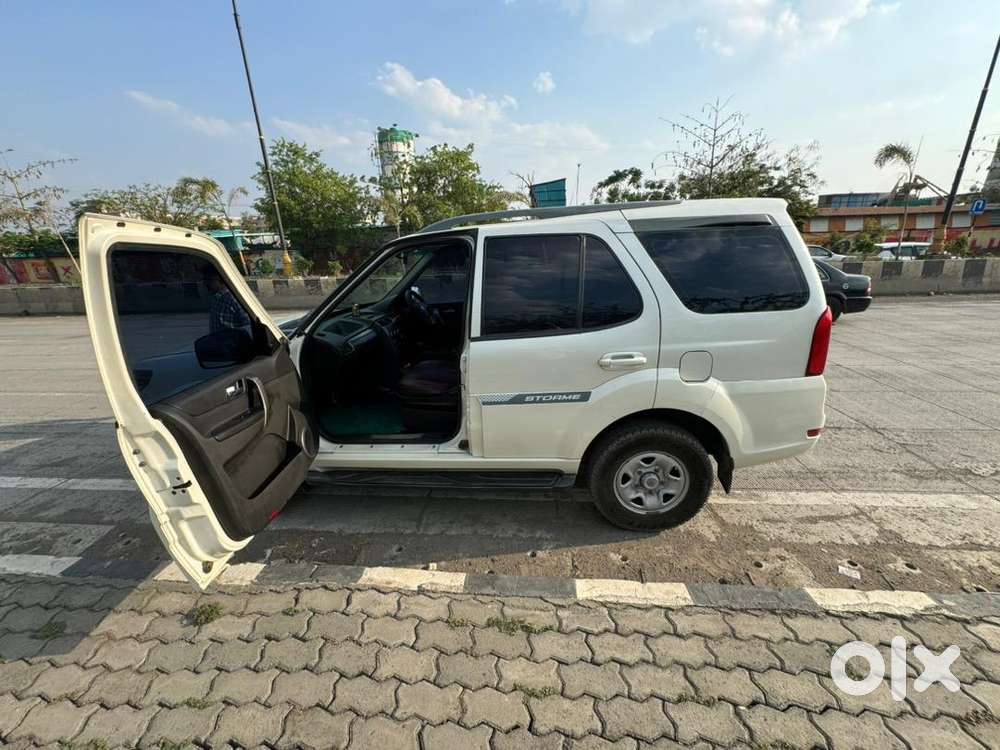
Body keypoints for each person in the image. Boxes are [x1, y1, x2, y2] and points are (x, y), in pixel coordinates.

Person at [202, 265, 250, 333]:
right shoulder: (216, 299)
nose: (205, 283)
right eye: (205, 280)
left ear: (222, 280)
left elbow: (248, 326)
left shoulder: (235, 300)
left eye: (209, 280)